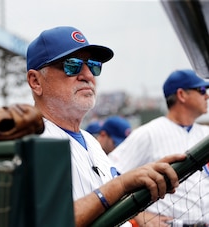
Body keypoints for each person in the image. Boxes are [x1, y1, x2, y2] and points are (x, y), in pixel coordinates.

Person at [26, 26, 185, 227]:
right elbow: (50, 222)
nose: (88, 75)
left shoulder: (91, 141)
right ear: (35, 81)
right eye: (72, 65)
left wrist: (140, 198)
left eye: (93, 65)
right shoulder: (31, 141)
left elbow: (106, 203)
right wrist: (120, 184)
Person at [109, 69, 209, 226]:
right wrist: (139, 215)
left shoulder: (206, 133)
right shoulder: (148, 133)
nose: (207, 95)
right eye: (201, 90)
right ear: (182, 95)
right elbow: (108, 177)